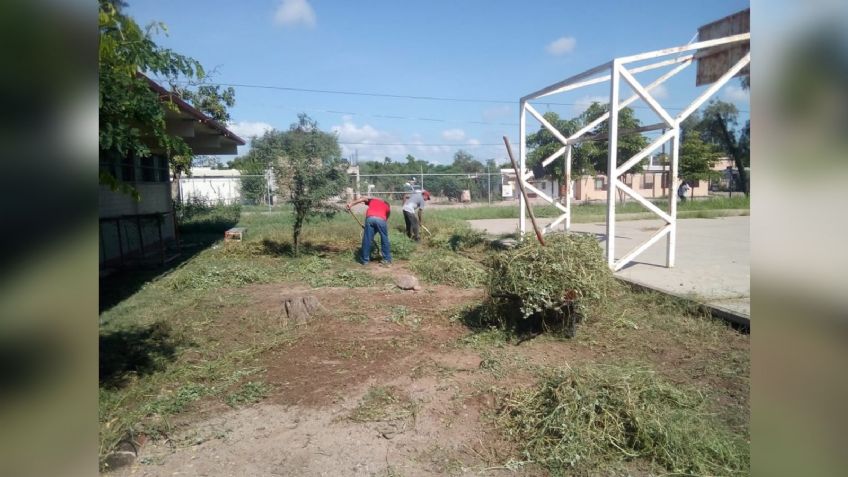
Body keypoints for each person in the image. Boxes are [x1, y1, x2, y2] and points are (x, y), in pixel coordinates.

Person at [347, 196, 392, 265]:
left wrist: (351, 204)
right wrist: (380, 224)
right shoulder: (387, 206)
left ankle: (365, 260)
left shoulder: (373, 200)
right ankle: (387, 259)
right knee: (384, 238)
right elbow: (385, 218)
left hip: (370, 219)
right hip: (381, 220)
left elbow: (363, 198)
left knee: (367, 239)